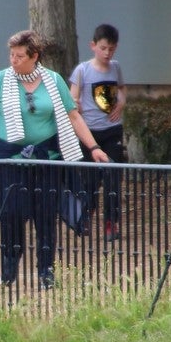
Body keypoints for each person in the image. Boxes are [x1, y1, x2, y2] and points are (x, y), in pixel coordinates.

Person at [0, 30, 109, 289]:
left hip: (46, 159)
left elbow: (73, 117)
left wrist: (93, 146)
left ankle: (46, 269)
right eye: (11, 55)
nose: (13, 60)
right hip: (11, 161)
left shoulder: (53, 80)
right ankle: (9, 265)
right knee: (12, 213)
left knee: (45, 215)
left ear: (34, 56)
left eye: (19, 56)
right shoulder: (0, 80)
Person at [69, 23, 127, 241]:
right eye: (103, 48)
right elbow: (71, 98)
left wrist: (121, 103)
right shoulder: (83, 70)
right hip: (89, 134)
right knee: (90, 181)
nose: (107, 53)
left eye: (111, 49)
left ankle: (111, 223)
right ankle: (85, 216)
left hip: (112, 130)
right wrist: (76, 104)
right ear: (93, 46)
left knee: (113, 177)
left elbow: (122, 89)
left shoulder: (116, 67)